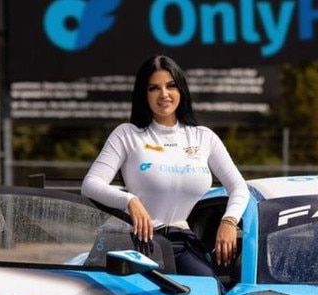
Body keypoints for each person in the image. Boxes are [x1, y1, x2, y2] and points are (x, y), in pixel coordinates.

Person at [81, 54, 249, 277]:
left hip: (181, 243)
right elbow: (90, 184)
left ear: (181, 90)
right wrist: (129, 200)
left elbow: (239, 187)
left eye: (171, 86)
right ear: (144, 94)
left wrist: (229, 222)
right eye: (154, 88)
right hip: (134, 243)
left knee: (209, 290)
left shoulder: (204, 137)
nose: (164, 95)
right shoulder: (127, 134)